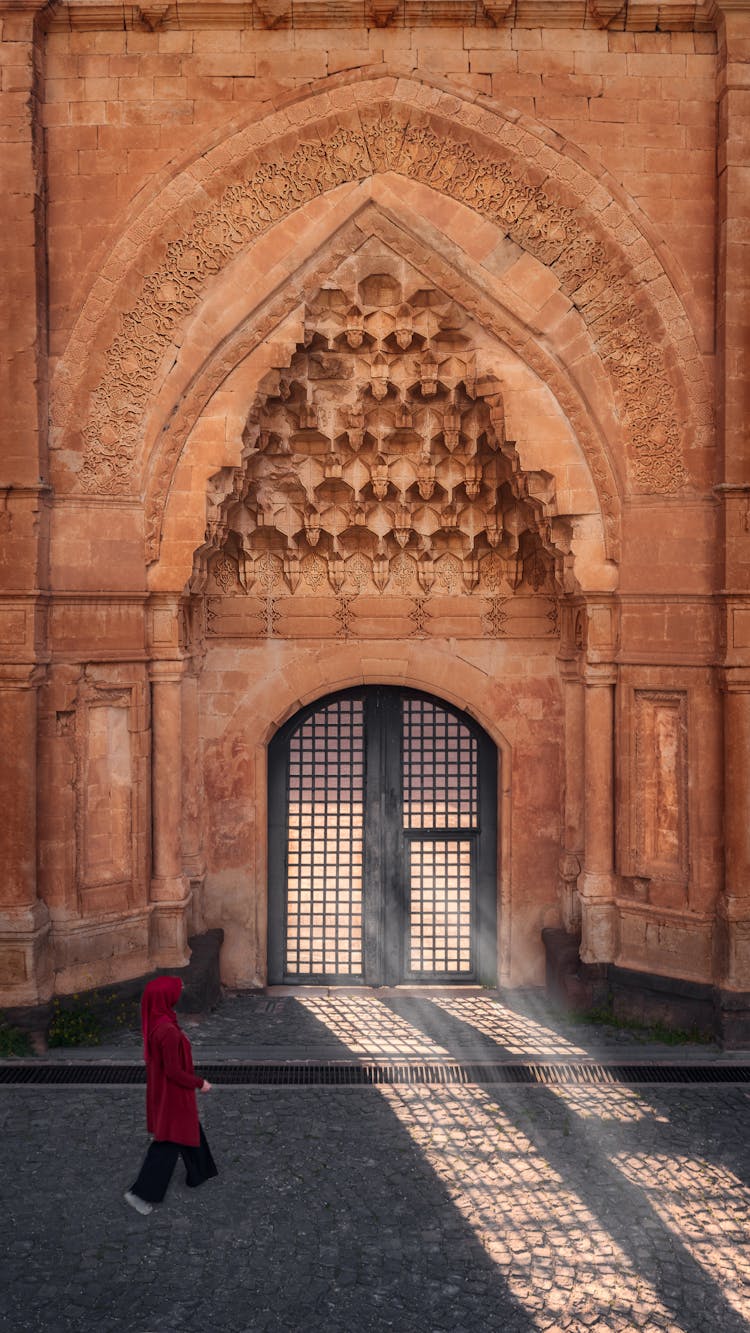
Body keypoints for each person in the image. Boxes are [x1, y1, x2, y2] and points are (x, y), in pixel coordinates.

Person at [125, 975, 218, 1216]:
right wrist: (200, 1083)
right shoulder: (168, 1031)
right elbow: (174, 1071)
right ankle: (139, 1193)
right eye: (177, 989)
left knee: (189, 1128)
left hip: (169, 1093)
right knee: (167, 1143)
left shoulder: (158, 1020)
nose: (181, 990)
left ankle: (200, 1173)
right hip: (174, 1095)